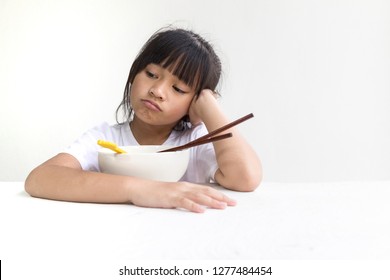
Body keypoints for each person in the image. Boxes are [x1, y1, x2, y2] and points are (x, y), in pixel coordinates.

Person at [25, 27, 262, 213]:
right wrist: (142, 190)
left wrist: (210, 106)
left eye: (178, 88)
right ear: (134, 74)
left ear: (194, 101)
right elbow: (39, 179)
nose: (157, 90)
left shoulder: (196, 143)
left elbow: (246, 178)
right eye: (151, 74)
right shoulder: (105, 138)